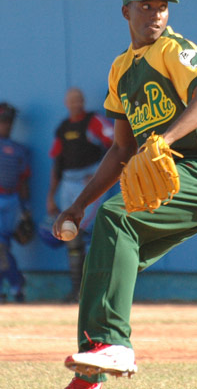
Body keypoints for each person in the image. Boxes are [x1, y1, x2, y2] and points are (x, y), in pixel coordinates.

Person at [53, 0, 197, 389]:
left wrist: (166, 138)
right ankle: (94, 368)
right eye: (146, 6)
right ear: (126, 11)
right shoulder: (120, 71)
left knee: (118, 216)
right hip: (175, 175)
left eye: (162, 6)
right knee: (108, 255)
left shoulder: (173, 49)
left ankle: (113, 344)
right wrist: (79, 204)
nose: (156, 14)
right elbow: (121, 151)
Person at [47, 88, 114, 302]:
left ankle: (94, 291)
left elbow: (116, 144)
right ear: (66, 103)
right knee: (70, 236)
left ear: (83, 101)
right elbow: (57, 162)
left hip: (89, 183)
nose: (75, 104)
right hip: (68, 182)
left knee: (85, 233)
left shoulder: (94, 121)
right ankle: (77, 289)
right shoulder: (63, 128)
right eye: (71, 101)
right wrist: (51, 195)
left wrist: (97, 174)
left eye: (78, 100)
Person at [0, 102, 31, 303]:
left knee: (3, 246)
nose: (6, 125)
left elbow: (24, 180)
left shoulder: (19, 150)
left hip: (12, 200)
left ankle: (14, 286)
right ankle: (16, 284)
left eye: (8, 122)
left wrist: (26, 209)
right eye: (3, 121)